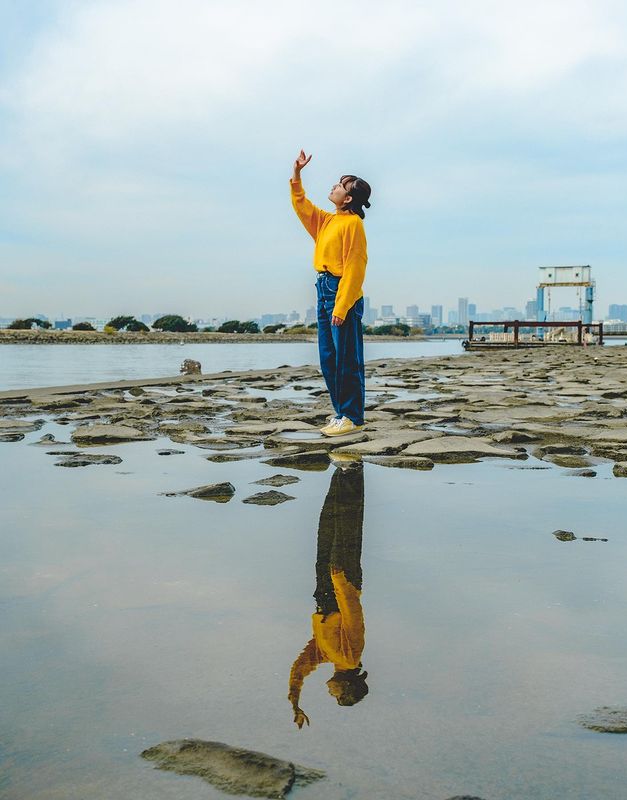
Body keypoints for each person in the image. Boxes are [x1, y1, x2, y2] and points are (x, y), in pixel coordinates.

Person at [290, 150, 372, 436]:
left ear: (348, 198)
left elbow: (355, 267)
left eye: (341, 186)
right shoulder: (327, 221)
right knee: (328, 357)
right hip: (323, 288)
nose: (335, 187)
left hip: (341, 293)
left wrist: (342, 305)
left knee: (347, 359)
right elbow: (302, 205)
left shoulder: (353, 225)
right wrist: (298, 174)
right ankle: (340, 414)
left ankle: (352, 417)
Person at [288, 464, 368, 728]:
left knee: (328, 526)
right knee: (346, 527)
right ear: (345, 688)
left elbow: (300, 667)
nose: (330, 693)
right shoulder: (349, 656)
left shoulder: (327, 656)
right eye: (336, 696)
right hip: (341, 585)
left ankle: (342, 473)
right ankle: (351, 471)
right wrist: (340, 580)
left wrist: (295, 702)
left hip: (325, 590)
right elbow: (353, 614)